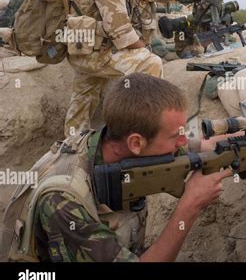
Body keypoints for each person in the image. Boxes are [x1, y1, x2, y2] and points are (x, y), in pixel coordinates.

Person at [0, 73, 232, 262]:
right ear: (136, 143)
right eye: (176, 136)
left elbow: (167, 148)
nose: (183, 142)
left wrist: (208, 146)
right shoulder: (63, 199)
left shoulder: (104, 143)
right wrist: (189, 206)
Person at [63, 0, 169, 138]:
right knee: (151, 63)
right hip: (98, 54)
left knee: (81, 101)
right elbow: (122, 33)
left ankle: (71, 145)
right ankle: (147, 134)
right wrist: (143, 49)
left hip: (82, 52)